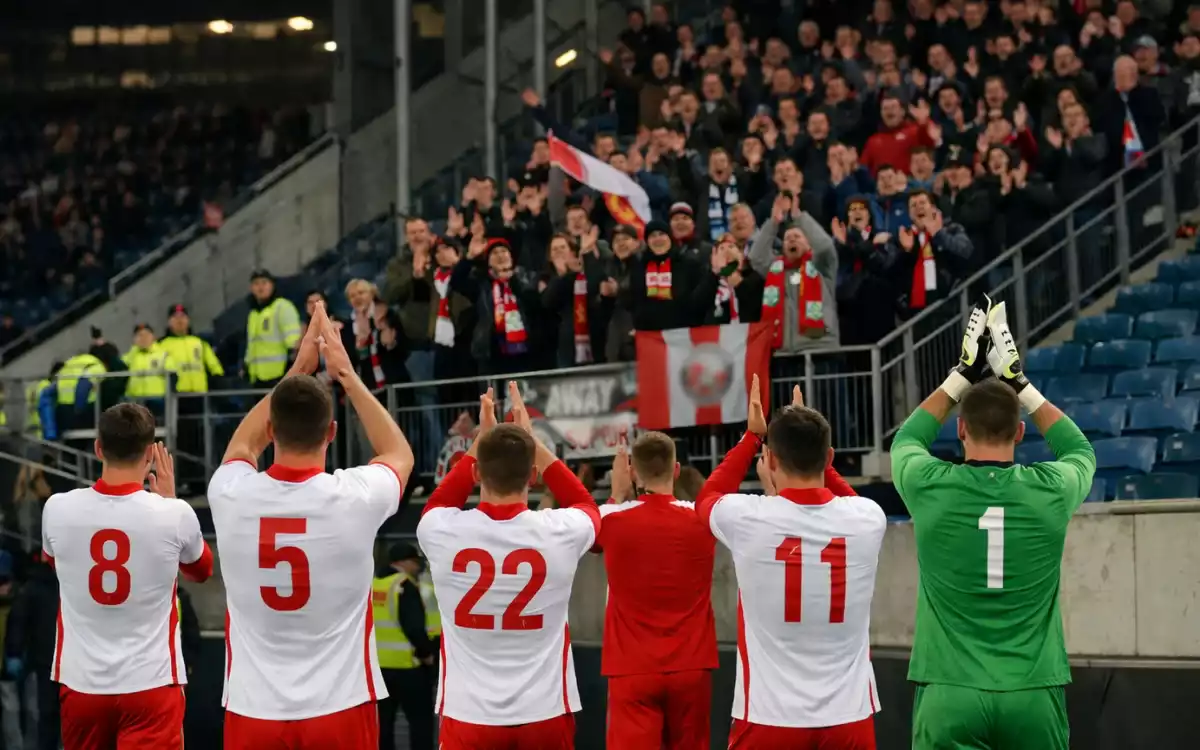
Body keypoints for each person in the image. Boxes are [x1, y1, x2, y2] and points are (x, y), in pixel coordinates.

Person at [208, 302, 414, 750]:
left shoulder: (230, 495)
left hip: (253, 710)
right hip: (340, 707)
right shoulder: (354, 496)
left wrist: (296, 371)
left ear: (272, 428)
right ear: (332, 432)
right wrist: (346, 374)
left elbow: (243, 443)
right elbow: (399, 455)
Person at [891, 299, 1095, 750]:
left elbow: (908, 439)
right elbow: (1081, 451)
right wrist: (1020, 385)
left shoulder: (930, 486)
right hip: (1032, 691)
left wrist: (960, 375)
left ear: (961, 430)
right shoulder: (1050, 490)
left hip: (949, 690)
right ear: (1020, 433)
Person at [696, 376, 886, 748]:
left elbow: (708, 497)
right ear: (829, 457)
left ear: (770, 459)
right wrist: (818, 453)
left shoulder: (747, 518)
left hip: (769, 718)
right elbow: (845, 498)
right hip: (848, 717)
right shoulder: (868, 517)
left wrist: (753, 437)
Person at [416, 382, 600, 749]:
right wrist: (533, 442)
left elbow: (436, 504)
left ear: (475, 475)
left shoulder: (442, 530)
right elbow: (588, 508)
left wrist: (479, 442)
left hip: (468, 714)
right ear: (532, 476)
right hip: (544, 711)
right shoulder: (558, 530)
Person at [40, 404, 214, 749]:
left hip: (82, 683)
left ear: (98, 448)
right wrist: (169, 500)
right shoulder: (173, 514)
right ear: (151, 453)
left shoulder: (57, 508)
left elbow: (53, 563)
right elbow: (201, 571)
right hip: (151, 683)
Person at [594, 432, 717, 749]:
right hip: (692, 666)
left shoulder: (612, 518)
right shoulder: (704, 518)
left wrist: (615, 495)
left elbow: (591, 535)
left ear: (633, 471)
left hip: (631, 670)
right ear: (676, 470)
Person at [374, 543, 436, 750]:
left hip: (380, 669)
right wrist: (426, 653)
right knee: (420, 724)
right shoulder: (404, 585)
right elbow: (414, 627)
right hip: (409, 667)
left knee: (383, 726)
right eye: (415, 562)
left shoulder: (374, 585)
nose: (417, 567)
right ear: (404, 562)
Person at [244, 269, 302, 388]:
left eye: (264, 283)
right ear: (251, 288)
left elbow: (294, 340)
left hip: (279, 376)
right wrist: (246, 365)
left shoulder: (282, 307)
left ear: (272, 285)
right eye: (256, 284)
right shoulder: (253, 314)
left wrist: (291, 366)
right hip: (257, 377)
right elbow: (252, 345)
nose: (260, 287)